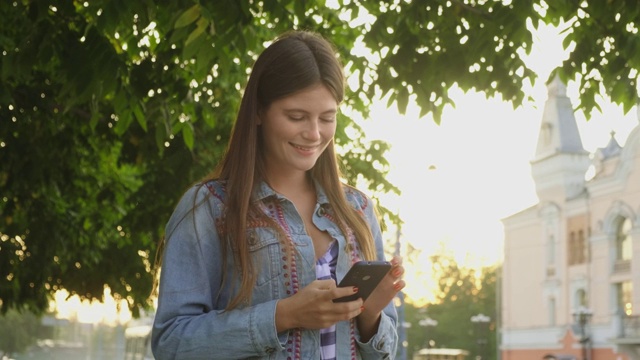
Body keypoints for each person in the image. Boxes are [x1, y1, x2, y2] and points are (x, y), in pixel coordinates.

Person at [151, 30, 406, 360]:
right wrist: (285, 315)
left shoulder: (356, 209)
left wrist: (370, 314)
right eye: (296, 116)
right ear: (258, 112)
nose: (314, 133)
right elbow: (171, 343)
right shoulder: (210, 208)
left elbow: (385, 349)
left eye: (327, 118)